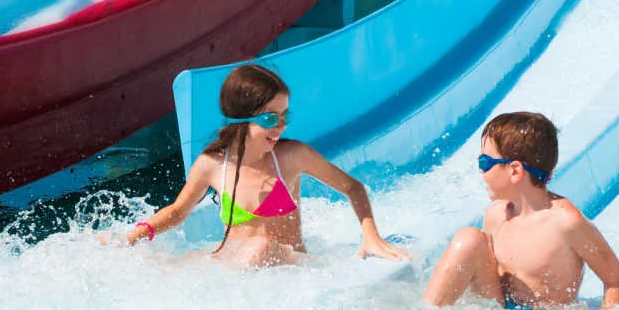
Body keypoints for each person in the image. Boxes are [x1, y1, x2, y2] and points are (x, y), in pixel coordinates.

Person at [124, 63, 410, 268]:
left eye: (285, 116)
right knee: (161, 266)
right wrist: (142, 231)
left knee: (258, 247)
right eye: (271, 119)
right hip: (234, 264)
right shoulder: (211, 165)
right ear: (241, 119)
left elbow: (353, 187)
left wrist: (371, 237)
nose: (281, 126)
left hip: (289, 265)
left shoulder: (292, 156)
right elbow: (177, 212)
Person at [423, 111, 619, 310]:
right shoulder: (495, 216)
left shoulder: (565, 223)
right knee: (468, 239)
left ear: (515, 171)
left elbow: (615, 280)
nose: (480, 171)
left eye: (485, 163)